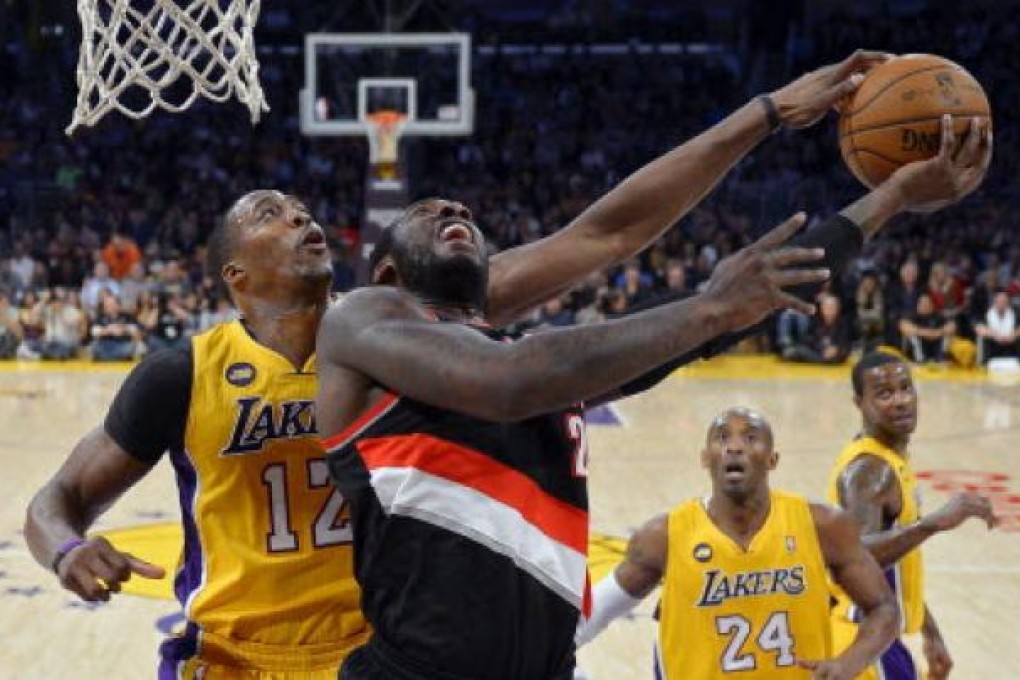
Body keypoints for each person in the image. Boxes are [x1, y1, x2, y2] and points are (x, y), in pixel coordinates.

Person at [23, 49, 899, 677]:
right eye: (269, 209)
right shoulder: (186, 373)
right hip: (240, 656)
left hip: (377, 649)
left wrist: (771, 113)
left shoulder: (407, 329)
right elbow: (55, 500)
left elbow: (609, 231)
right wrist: (65, 550)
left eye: (300, 204)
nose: (296, 211)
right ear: (234, 274)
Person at [316, 111, 990, 678]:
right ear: (385, 269)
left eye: (459, 208)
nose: (453, 208)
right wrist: (708, 310)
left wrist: (892, 196)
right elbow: (514, 380)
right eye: (427, 211)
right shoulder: (363, 324)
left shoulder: (553, 362)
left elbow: (753, 295)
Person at [575, 408, 899, 679]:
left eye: (750, 438)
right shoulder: (664, 535)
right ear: (705, 458)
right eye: (722, 438)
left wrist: (848, 664)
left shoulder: (821, 526)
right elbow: (593, 615)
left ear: (772, 459)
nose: (734, 447)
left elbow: (884, 608)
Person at [826, 352, 1000, 680]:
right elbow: (856, 557)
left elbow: (896, 566)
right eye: (885, 393)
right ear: (859, 402)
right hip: (862, 639)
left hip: (880, 637)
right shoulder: (869, 470)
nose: (901, 400)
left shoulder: (889, 460)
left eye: (906, 388)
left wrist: (928, 629)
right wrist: (933, 523)